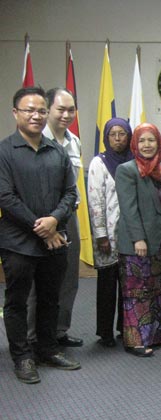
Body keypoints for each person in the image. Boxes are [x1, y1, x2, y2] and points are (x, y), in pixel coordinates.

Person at [0, 87, 81, 383]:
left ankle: (47, 349)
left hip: (54, 240)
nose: (36, 115)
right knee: (17, 301)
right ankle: (22, 357)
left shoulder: (57, 151)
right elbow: (5, 198)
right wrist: (42, 227)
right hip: (18, 243)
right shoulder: (4, 152)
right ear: (15, 114)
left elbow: (70, 193)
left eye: (41, 111)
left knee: (50, 298)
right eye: (29, 110)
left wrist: (54, 221)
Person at [115, 123, 161, 357]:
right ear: (135, 144)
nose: (147, 145)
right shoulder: (126, 170)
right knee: (138, 292)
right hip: (137, 244)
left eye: (151, 140)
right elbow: (128, 209)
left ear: (159, 144)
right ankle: (136, 341)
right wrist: (138, 239)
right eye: (142, 140)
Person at [26, 88, 83, 347]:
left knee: (69, 276)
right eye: (61, 109)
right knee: (38, 281)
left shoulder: (74, 142)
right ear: (48, 110)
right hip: (42, 218)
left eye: (71, 109)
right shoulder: (35, 140)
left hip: (70, 215)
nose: (66, 115)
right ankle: (33, 336)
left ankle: (59, 331)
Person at [87, 118, 133, 348]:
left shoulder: (135, 161)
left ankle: (124, 328)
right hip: (107, 236)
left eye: (122, 134)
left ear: (129, 136)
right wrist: (101, 235)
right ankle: (105, 332)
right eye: (113, 134)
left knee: (129, 284)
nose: (117, 139)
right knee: (107, 284)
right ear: (106, 137)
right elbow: (95, 201)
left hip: (131, 235)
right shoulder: (99, 162)